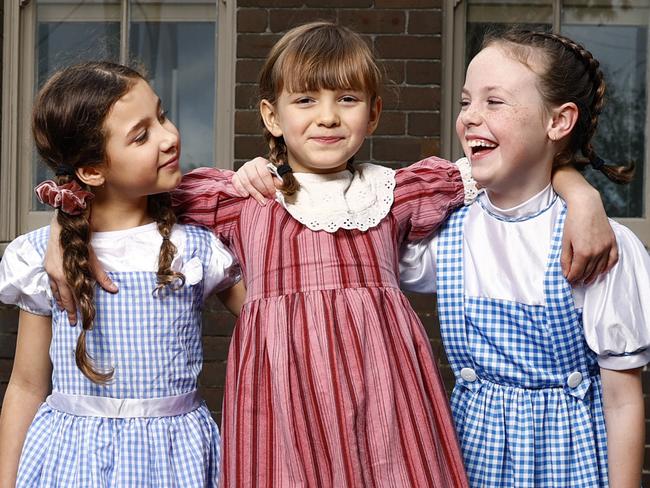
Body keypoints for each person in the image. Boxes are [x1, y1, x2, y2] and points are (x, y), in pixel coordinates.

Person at [43, 23, 617, 487]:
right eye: (305, 100)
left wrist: (581, 193)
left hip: (385, 392)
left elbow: (515, 164)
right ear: (272, 116)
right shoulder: (243, 196)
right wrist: (60, 227)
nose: (327, 116)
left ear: (373, 114)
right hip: (282, 394)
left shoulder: (399, 192)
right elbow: (115, 187)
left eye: (347, 99)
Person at [399, 30, 649, 487]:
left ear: (559, 121)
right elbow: (357, 217)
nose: (470, 117)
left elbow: (623, 400)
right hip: (468, 456)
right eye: (465, 101)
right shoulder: (447, 234)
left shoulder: (596, 244)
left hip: (569, 461)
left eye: (494, 102)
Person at [0, 61, 242, 487]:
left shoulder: (196, 247)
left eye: (162, 115)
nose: (170, 137)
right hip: (71, 462)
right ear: (92, 170)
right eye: (142, 135)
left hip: (175, 460)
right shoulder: (43, 256)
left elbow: (274, 321)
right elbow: (25, 385)